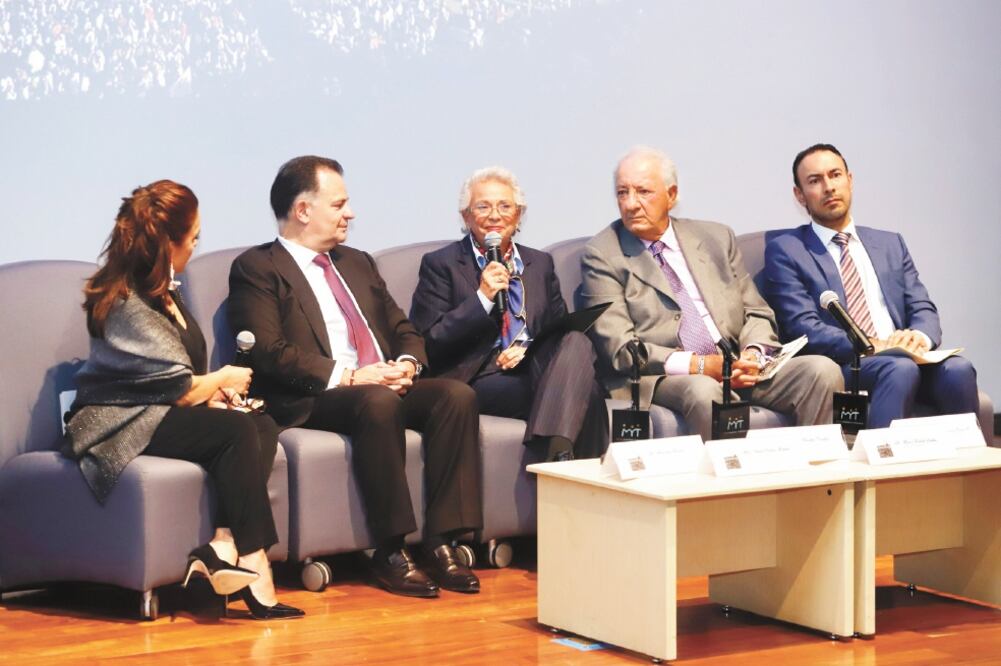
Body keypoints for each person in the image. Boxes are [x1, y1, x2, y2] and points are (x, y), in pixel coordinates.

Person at [227, 156, 482, 598]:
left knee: (455, 396)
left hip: (376, 381)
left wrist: (407, 365)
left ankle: (442, 542)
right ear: (304, 210)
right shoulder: (259, 267)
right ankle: (389, 550)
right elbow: (269, 351)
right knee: (376, 402)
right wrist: (350, 376)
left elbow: (403, 328)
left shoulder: (357, 262)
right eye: (339, 204)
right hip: (315, 395)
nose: (351, 213)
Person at [62, 180, 302, 620]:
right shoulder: (125, 301)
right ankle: (254, 561)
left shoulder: (164, 292)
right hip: (120, 424)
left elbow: (175, 381)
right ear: (167, 243)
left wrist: (214, 394)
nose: (195, 246)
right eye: (192, 238)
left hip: (158, 413)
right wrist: (223, 378)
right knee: (234, 429)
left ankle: (221, 545)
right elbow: (176, 385)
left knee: (260, 422)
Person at [578, 146, 844, 441]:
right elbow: (620, 349)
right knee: (704, 390)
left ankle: (809, 479)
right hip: (664, 375)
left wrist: (753, 355)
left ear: (672, 195)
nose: (630, 204)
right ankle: (736, 483)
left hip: (735, 364)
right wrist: (701, 365)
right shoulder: (602, 253)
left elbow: (756, 311)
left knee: (822, 371)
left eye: (643, 192)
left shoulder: (716, 237)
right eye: (622, 193)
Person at [761, 143, 979, 427]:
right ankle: (882, 468)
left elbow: (922, 306)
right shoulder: (787, 250)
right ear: (799, 195)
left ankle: (970, 469)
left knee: (959, 369)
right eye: (815, 181)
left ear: (849, 180)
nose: (829, 187)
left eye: (835, 175)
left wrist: (919, 338)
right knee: (898, 369)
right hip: (849, 363)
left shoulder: (890, 243)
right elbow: (803, 328)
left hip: (906, 356)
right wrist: (871, 345)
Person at [409, 167, 609, 461]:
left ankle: (555, 457)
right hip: (482, 377)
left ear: (519, 215)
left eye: (505, 206)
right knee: (586, 392)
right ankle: (568, 471)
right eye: (483, 206)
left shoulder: (540, 263)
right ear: (466, 216)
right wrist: (482, 299)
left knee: (577, 342)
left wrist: (526, 351)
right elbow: (430, 342)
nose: (494, 215)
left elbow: (559, 333)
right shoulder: (442, 264)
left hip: (536, 366)